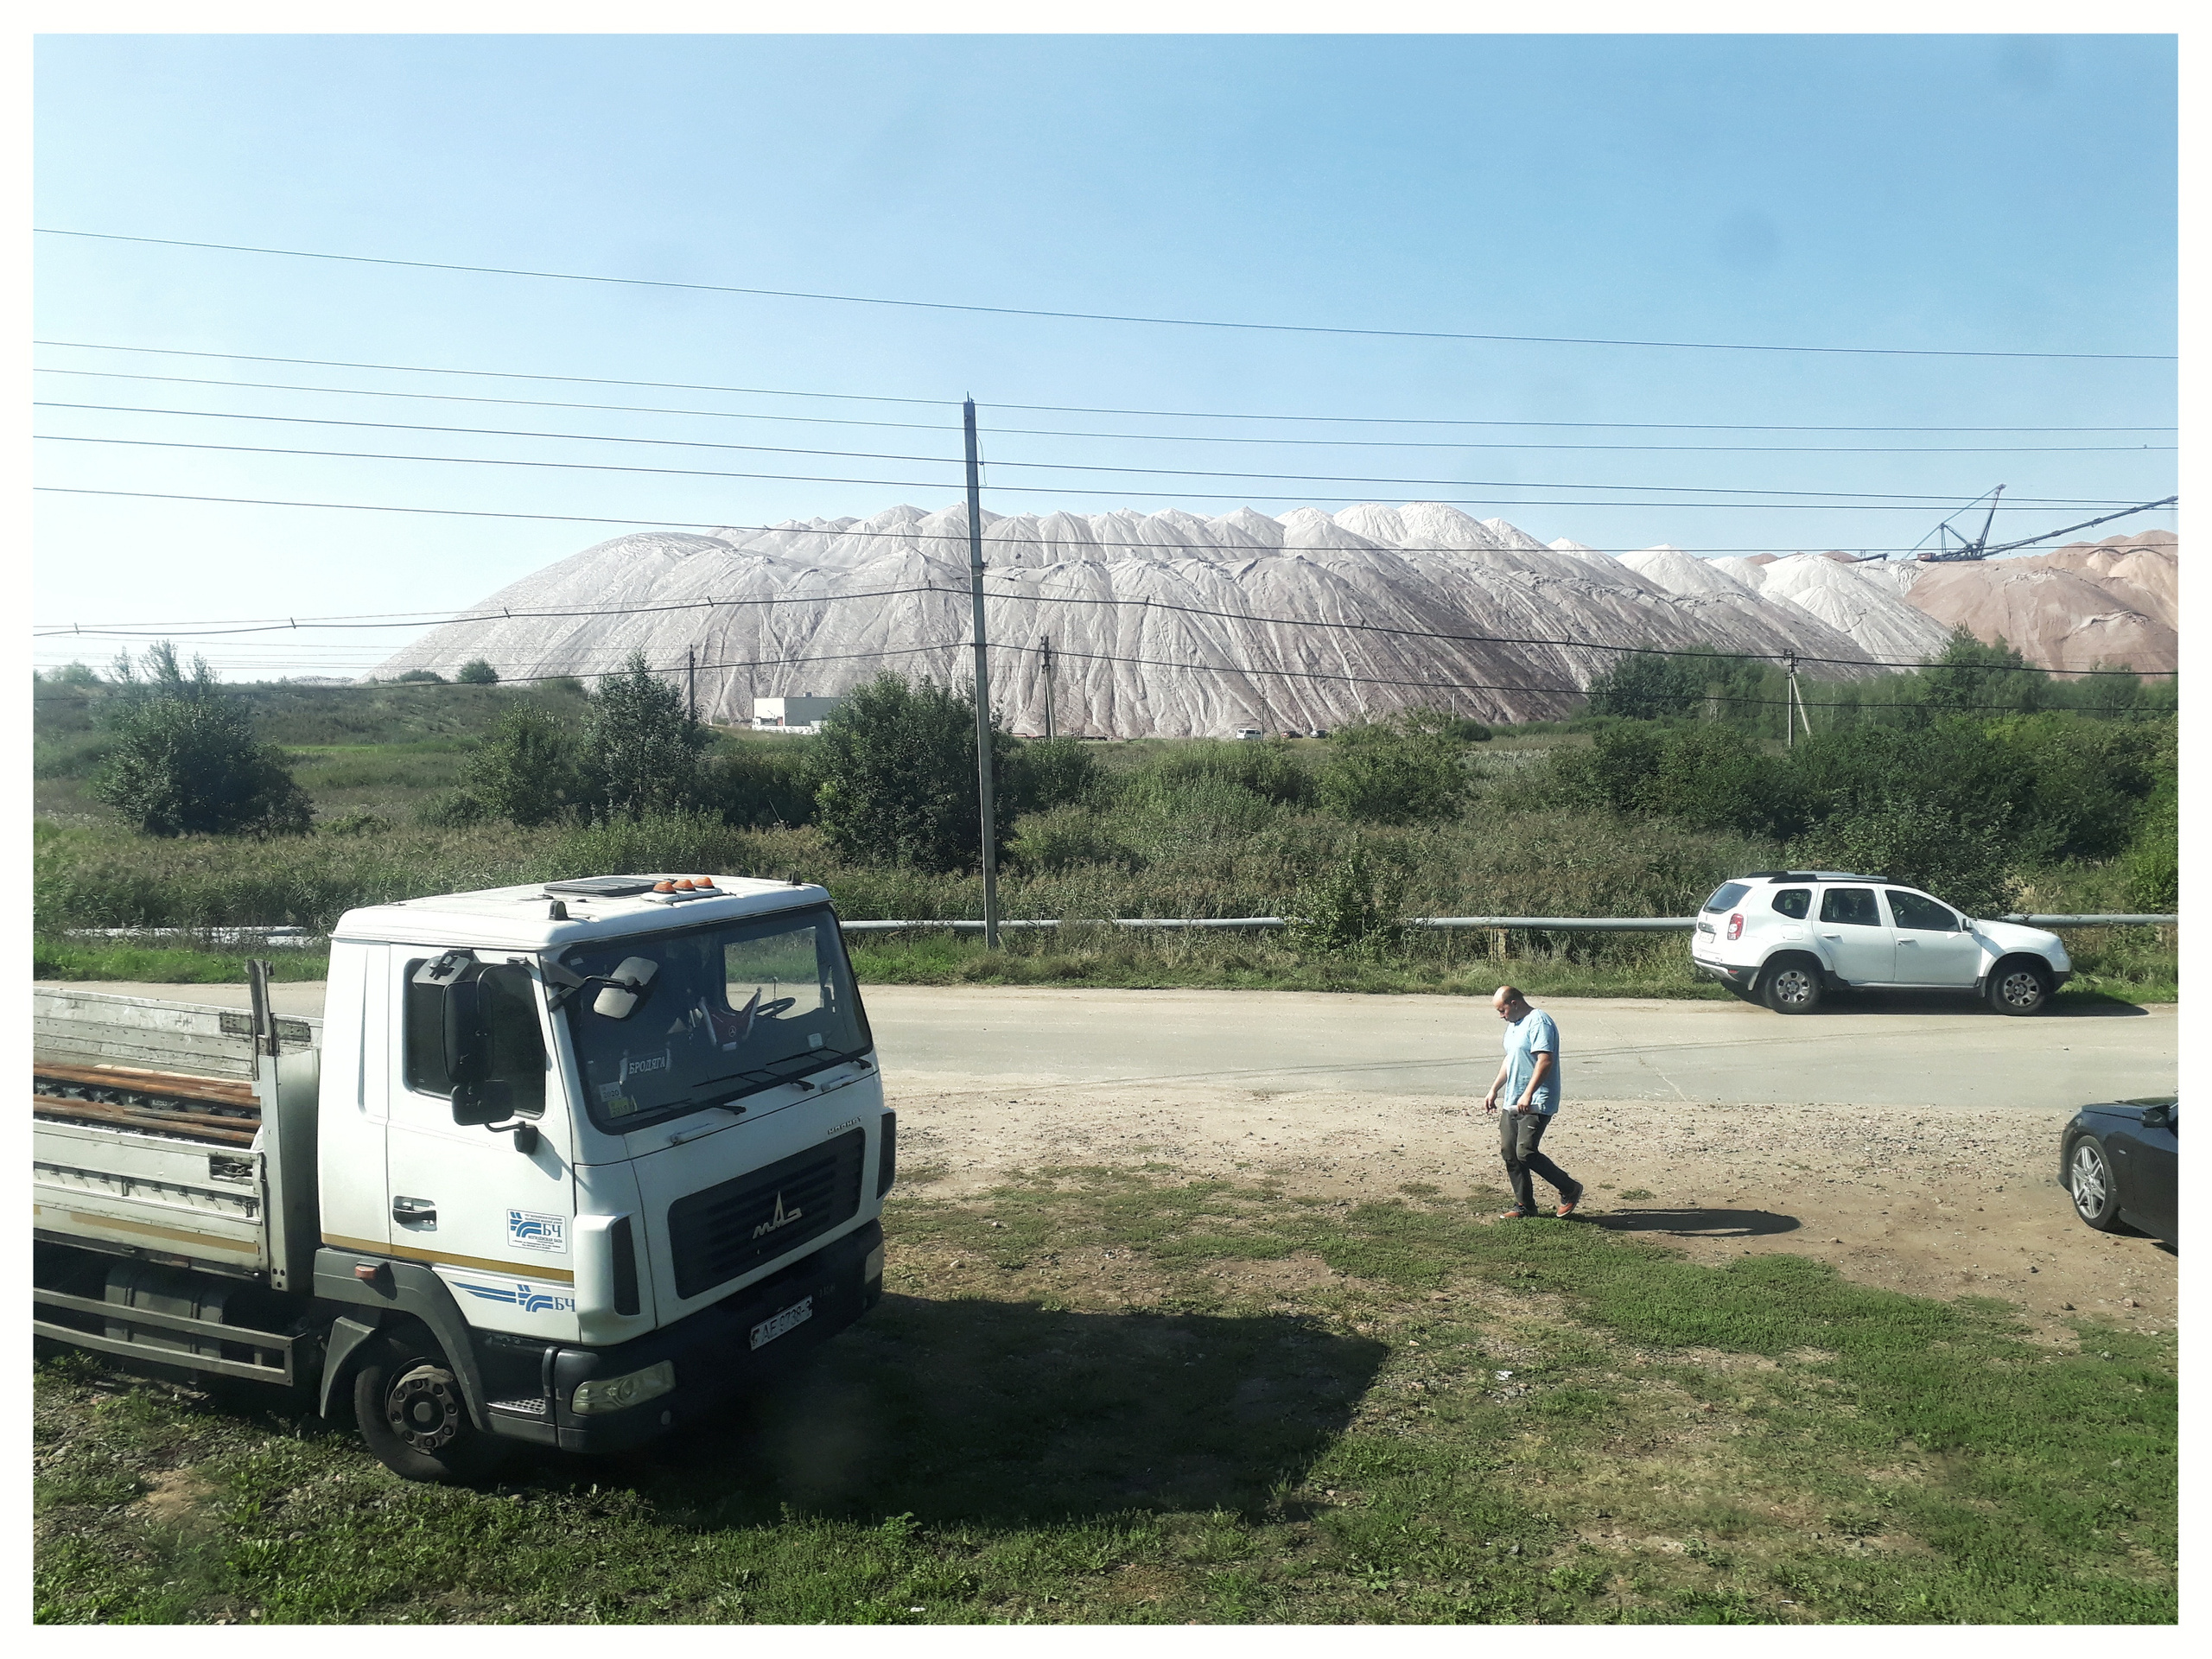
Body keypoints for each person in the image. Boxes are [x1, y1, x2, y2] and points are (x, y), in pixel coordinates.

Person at [1482, 985, 1582, 1219]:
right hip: (1513, 1099)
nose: (1501, 1016)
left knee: (1525, 1151)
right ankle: (1525, 1206)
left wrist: (1528, 1093)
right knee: (1510, 1152)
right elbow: (1510, 1059)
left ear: (1514, 1003)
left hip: (1536, 1099)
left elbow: (1545, 1060)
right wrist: (1494, 1089)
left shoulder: (1539, 1022)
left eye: (1502, 1010)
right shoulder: (1513, 1026)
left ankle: (1569, 1188)